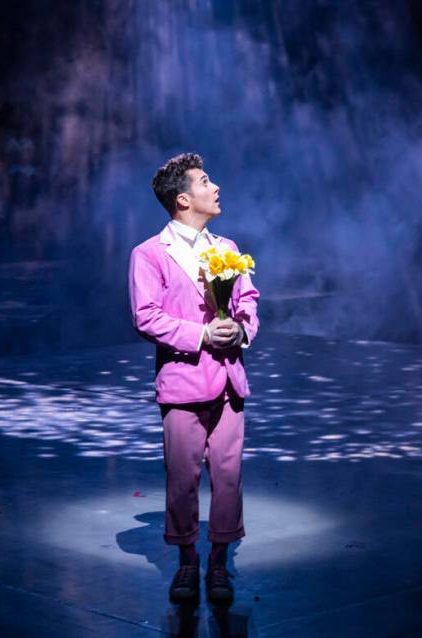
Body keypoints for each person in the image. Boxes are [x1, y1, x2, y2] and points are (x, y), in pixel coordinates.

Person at [127, 152, 259, 604]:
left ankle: (220, 562)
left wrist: (240, 329)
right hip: (183, 384)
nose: (215, 187)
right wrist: (201, 333)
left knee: (228, 475)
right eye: (206, 182)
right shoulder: (149, 254)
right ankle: (187, 561)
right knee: (182, 477)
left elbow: (249, 302)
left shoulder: (228, 248)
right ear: (183, 199)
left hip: (228, 381)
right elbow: (146, 317)